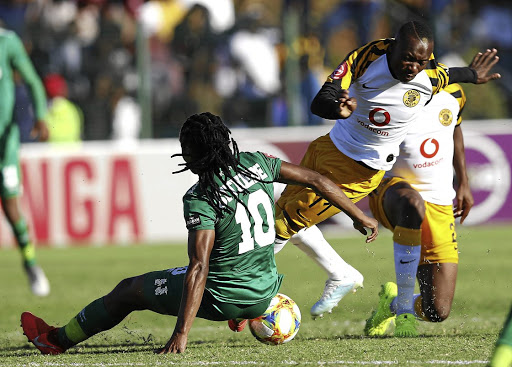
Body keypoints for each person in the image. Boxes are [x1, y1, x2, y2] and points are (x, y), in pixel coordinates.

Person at [21, 112, 378, 355]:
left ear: (195, 154)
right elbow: (317, 179)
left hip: (224, 296)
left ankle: (55, 340)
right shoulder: (256, 163)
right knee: (222, 268)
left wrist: (181, 333)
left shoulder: (200, 198)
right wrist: (357, 215)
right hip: (266, 292)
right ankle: (240, 311)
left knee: (129, 290)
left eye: (186, 148)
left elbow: (198, 268)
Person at [272, 20, 501, 318]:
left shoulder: (433, 77)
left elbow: (450, 84)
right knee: (283, 221)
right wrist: (336, 107)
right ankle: (250, 292)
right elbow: (322, 100)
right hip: (344, 158)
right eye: (408, 57)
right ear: (394, 47)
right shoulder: (367, 58)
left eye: (421, 61)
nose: (413, 67)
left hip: (387, 180)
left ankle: (382, 299)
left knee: (438, 311)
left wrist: (472, 75)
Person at [363, 83, 471, 337]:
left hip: (440, 204)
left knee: (438, 310)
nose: (414, 66)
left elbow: (455, 127)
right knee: (412, 203)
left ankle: (391, 304)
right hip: (393, 190)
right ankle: (403, 310)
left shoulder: (454, 93)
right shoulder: (389, 90)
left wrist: (464, 181)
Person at [0, 27, 50, 296]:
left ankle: (30, 262)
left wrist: (40, 115)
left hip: (3, 145)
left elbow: (32, 80)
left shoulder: (7, 42)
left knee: (10, 209)